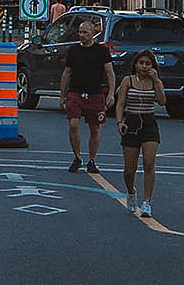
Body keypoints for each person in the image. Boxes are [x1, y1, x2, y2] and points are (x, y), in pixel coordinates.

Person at [59, 16, 116, 174]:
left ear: (92, 33)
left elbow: (110, 72)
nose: (81, 35)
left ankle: (92, 160)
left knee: (95, 129)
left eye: (84, 32)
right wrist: (62, 95)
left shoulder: (102, 51)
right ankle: (77, 157)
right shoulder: (74, 50)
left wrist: (111, 93)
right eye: (79, 32)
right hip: (75, 92)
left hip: (95, 94)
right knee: (73, 125)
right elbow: (66, 73)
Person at [114, 50, 165, 216]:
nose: (144, 66)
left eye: (147, 64)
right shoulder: (127, 81)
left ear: (152, 66)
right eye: (141, 63)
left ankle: (147, 202)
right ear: (135, 64)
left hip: (149, 124)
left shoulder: (155, 81)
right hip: (131, 123)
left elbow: (162, 101)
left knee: (149, 163)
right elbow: (120, 103)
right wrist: (120, 122)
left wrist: (156, 81)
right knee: (130, 169)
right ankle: (130, 191)